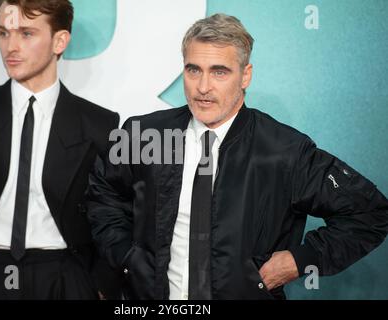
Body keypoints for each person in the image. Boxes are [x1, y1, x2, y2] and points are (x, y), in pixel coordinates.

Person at [87, 13, 388, 300]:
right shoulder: (143, 133)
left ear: (246, 75)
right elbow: (104, 194)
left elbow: (370, 213)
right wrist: (126, 257)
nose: (203, 87)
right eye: (194, 70)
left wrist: (299, 259)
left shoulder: (283, 149)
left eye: (219, 71)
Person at [0, 0, 121, 300]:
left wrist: (98, 285)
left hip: (64, 278)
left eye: (26, 33)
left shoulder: (99, 125)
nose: (10, 46)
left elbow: (116, 213)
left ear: (59, 41)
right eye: (3, 33)